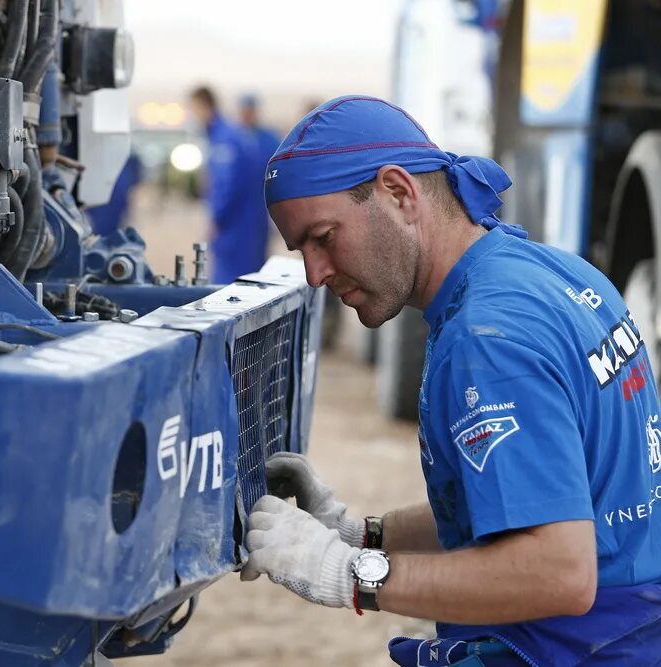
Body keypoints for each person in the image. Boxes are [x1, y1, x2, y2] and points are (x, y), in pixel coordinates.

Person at [242, 95, 661, 666]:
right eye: (301, 250)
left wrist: (351, 575)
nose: (315, 274)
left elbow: (558, 573)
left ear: (398, 192)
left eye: (323, 237)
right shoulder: (555, 273)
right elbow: (524, 501)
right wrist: (359, 535)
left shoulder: (486, 339)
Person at [188, 86, 268, 283]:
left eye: (194, 109)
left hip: (237, 228)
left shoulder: (225, 139)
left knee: (231, 290)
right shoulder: (226, 136)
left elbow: (227, 185)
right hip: (244, 224)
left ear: (205, 106)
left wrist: (217, 219)